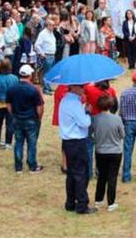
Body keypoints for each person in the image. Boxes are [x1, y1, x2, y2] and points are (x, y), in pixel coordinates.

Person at [59, 84, 96, 214]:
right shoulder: (74, 103)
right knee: (81, 174)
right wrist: (87, 113)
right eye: (81, 87)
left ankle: (70, 202)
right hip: (76, 141)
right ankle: (81, 204)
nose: (83, 89)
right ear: (73, 87)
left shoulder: (65, 100)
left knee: (72, 173)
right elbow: (84, 123)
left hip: (68, 141)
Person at [6, 64, 44, 173]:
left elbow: (8, 104)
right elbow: (39, 107)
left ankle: (18, 166)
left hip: (17, 118)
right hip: (31, 119)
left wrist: (13, 114)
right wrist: (38, 118)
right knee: (32, 143)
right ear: (30, 75)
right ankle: (32, 165)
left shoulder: (12, 89)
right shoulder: (33, 90)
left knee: (18, 142)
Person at [92, 95, 125, 212]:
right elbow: (122, 134)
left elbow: (91, 132)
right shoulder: (117, 119)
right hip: (115, 151)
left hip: (100, 151)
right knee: (112, 177)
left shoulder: (95, 119)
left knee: (101, 176)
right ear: (111, 105)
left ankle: (98, 200)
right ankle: (111, 202)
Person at [0, 59, 20, 149]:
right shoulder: (14, 78)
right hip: (11, 104)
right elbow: (17, 91)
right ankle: (8, 143)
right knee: (10, 124)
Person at [34, 16, 58, 95]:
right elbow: (37, 45)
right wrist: (42, 53)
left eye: (53, 25)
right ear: (47, 25)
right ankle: (45, 88)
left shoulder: (52, 33)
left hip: (52, 55)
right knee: (45, 73)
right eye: (51, 25)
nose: (53, 27)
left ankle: (48, 87)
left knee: (49, 72)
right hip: (46, 55)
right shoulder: (43, 33)